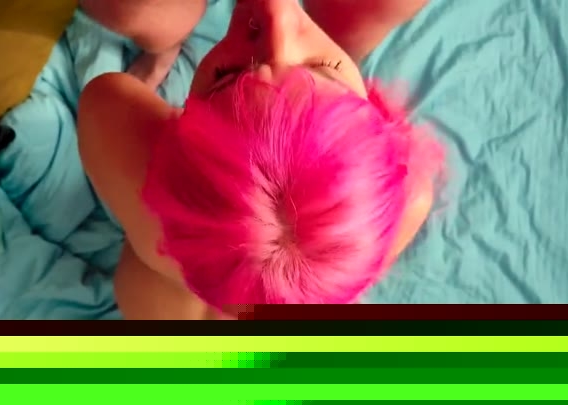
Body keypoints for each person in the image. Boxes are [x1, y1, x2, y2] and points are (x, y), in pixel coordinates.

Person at [78, 0, 444, 319]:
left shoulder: (116, 129)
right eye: (324, 68)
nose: (277, 9)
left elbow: (109, 107)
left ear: (169, 158)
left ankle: (165, 51)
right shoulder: (408, 201)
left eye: (227, 78)